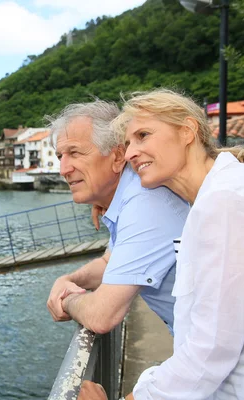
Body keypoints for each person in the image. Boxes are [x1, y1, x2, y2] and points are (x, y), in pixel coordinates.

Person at [81, 89, 244, 400]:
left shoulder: (227, 201)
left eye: (143, 135)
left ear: (188, 131)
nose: (130, 153)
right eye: (127, 144)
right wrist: (103, 200)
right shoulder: (219, 196)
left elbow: (211, 348)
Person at [46, 100, 189, 335]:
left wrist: (67, 299)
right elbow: (108, 263)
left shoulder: (145, 203)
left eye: (75, 153)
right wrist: (69, 279)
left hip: (240, 362)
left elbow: (101, 315)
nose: (63, 169)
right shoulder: (129, 196)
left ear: (117, 157)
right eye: (61, 156)